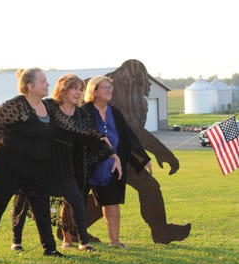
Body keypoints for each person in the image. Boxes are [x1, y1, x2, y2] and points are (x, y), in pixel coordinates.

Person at [82, 59, 191, 244]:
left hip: (121, 154)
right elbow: (136, 130)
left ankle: (160, 232)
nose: (148, 85)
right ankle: (71, 228)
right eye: (146, 79)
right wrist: (163, 152)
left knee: (119, 194)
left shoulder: (119, 101)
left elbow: (130, 134)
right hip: (99, 158)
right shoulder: (124, 89)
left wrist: (146, 156)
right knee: (111, 195)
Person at [11, 74, 122, 252]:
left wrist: (112, 155)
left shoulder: (80, 114)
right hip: (39, 161)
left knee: (77, 200)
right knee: (23, 200)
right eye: (74, 88)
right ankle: (16, 240)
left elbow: (91, 134)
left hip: (64, 166)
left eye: (81, 89)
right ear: (63, 89)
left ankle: (83, 242)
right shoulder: (48, 106)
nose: (78, 92)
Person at [0, 68, 63, 261]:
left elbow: (69, 124)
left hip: (36, 169)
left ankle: (50, 249)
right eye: (43, 81)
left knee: (42, 210)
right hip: (7, 168)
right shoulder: (15, 106)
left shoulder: (48, 107)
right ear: (30, 86)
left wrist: (97, 137)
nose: (48, 84)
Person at [61, 75, 151, 249]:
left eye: (111, 88)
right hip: (83, 165)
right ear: (94, 92)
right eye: (105, 88)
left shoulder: (115, 113)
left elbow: (128, 137)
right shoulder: (83, 111)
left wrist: (142, 158)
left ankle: (114, 240)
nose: (110, 90)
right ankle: (67, 239)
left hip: (110, 166)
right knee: (74, 200)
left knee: (112, 202)